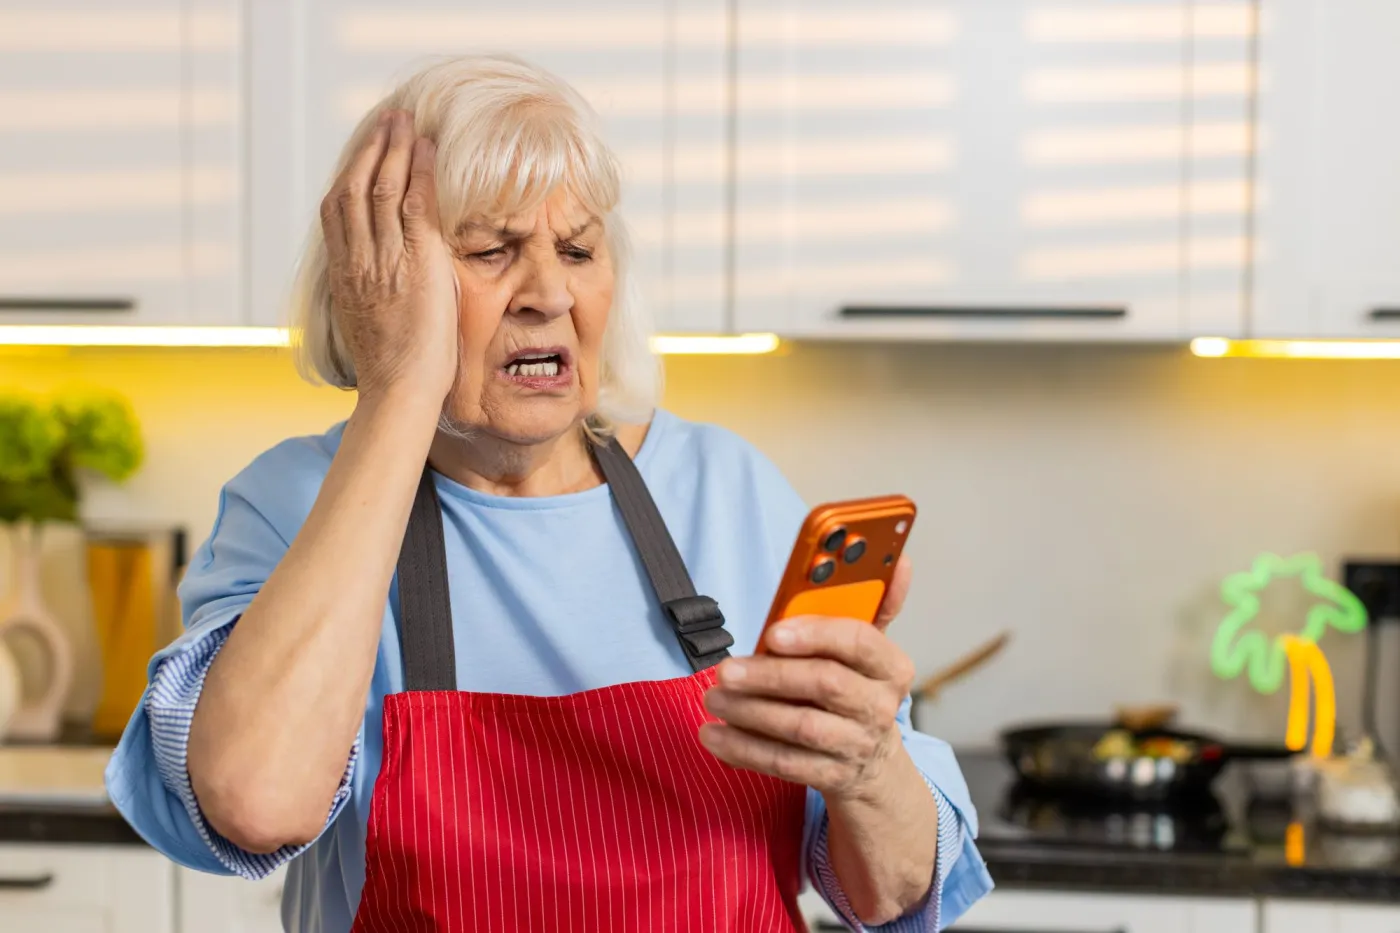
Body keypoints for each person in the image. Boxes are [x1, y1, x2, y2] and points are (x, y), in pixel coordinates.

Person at [105, 54, 993, 932]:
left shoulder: (725, 489)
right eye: (490, 250)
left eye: (577, 249)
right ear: (378, 281)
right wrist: (401, 386)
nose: (550, 294)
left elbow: (894, 889)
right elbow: (255, 803)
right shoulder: (297, 503)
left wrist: (866, 766)